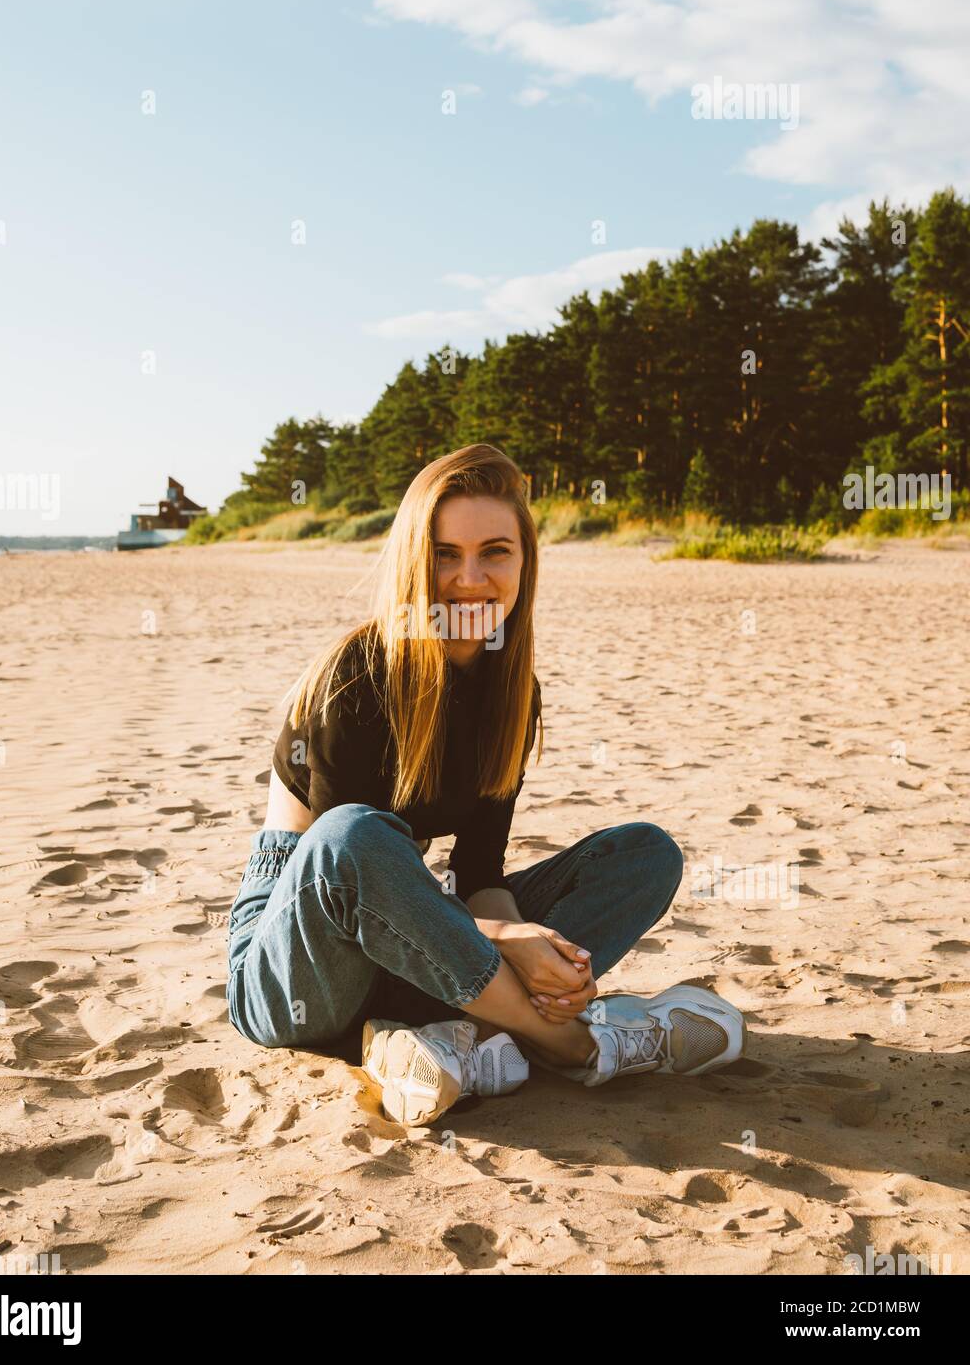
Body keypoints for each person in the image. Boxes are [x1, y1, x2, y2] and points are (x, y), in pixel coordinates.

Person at [226, 443, 746, 1126]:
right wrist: (503, 945)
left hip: (412, 950)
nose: (469, 578)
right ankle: (566, 1042)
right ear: (416, 559)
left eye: (494, 551)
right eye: (445, 554)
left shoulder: (510, 693)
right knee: (356, 834)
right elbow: (348, 883)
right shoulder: (354, 681)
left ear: (524, 562)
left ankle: (438, 1041)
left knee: (644, 855)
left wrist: (515, 929)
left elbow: (477, 873)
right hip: (298, 969)